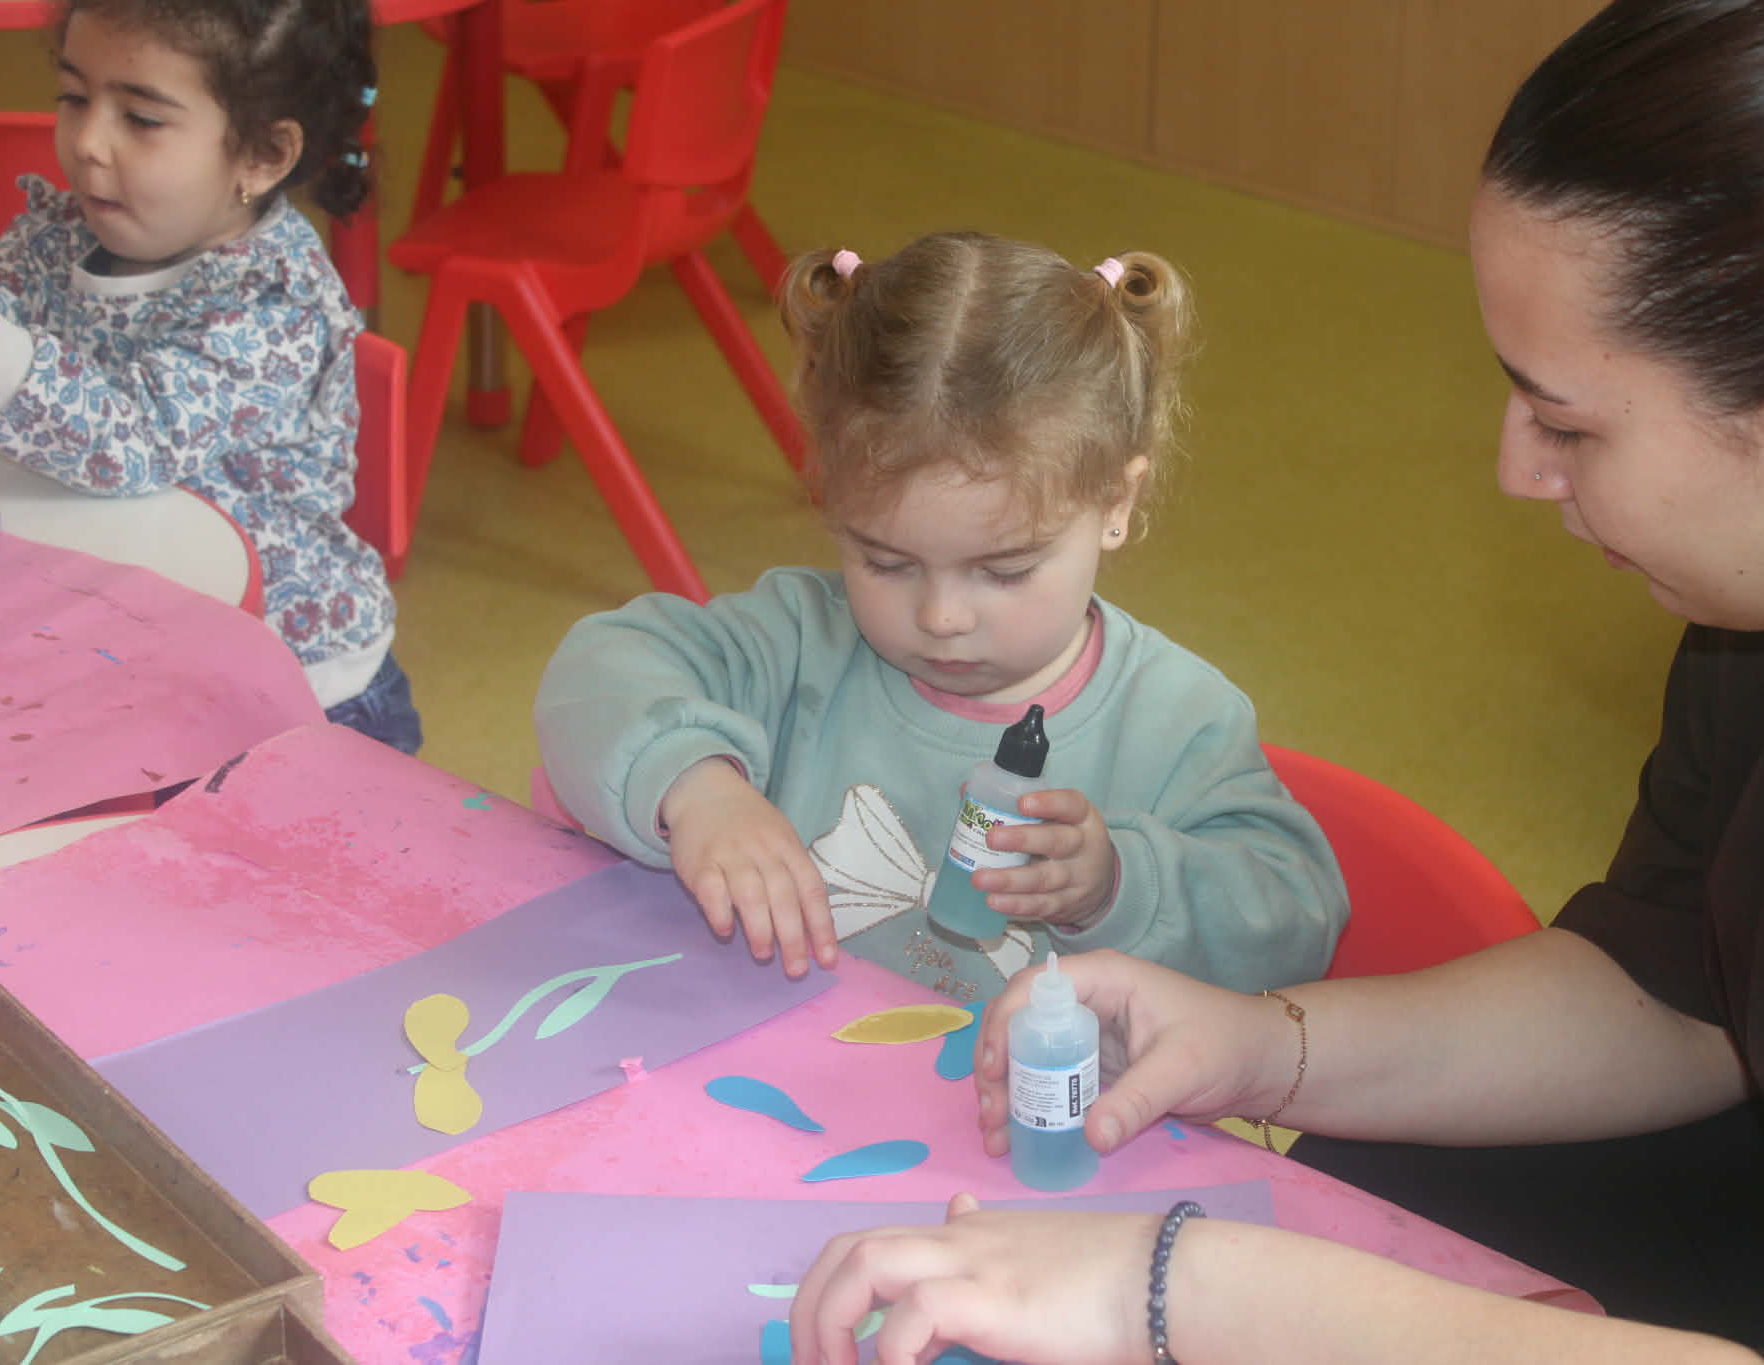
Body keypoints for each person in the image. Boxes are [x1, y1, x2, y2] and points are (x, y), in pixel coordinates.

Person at [784, 1, 1764, 1360]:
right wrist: (1262, 1043)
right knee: (1349, 1194)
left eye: (1566, 422)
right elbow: (1682, 983)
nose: (1516, 468)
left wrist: (1169, 1291)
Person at [534, 232, 1347, 994]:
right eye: (885, 561)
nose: (941, 616)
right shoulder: (800, 639)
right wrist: (697, 787)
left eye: (1005, 569)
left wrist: (1119, 884)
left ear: (1115, 501)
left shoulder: (1178, 720)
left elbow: (1298, 921)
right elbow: (597, 674)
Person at [0, 0, 419, 753]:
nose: (87, 142)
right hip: (118, 641)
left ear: (263, 155)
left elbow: (128, 445)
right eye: (74, 96)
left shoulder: (273, 299)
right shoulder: (51, 237)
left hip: (293, 689)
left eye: (141, 119)